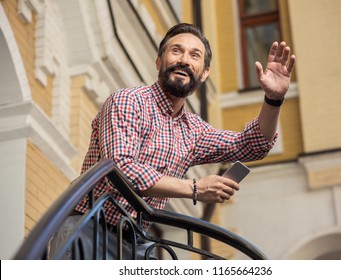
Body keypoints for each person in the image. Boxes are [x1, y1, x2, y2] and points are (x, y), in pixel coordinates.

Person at [49, 23, 295, 259]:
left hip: (135, 242)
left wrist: (273, 100)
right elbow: (120, 168)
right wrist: (195, 188)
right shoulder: (128, 101)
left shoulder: (193, 130)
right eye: (176, 51)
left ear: (204, 73)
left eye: (194, 55)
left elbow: (252, 145)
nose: (184, 60)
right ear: (159, 61)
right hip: (88, 227)